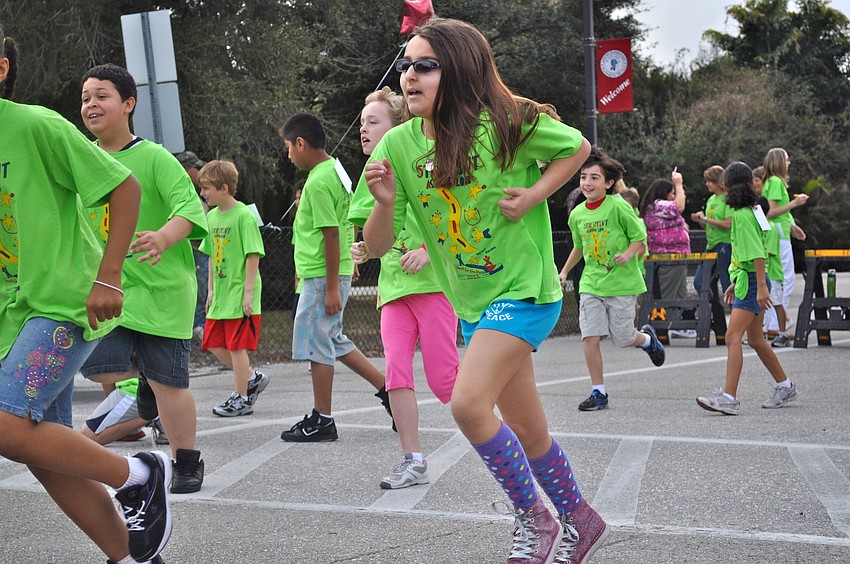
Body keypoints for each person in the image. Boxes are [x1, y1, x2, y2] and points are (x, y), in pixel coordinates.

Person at [356, 17, 608, 563]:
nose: (410, 76)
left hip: (525, 291)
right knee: (529, 430)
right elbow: (376, 246)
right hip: (473, 302)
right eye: (406, 66)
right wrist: (381, 202)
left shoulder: (503, 121)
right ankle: (581, 520)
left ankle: (534, 520)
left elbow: (578, 145)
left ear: (460, 70)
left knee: (469, 405)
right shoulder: (398, 146)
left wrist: (537, 191)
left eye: (426, 65)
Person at [0, 27, 171, 563]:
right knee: (46, 453)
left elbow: (125, 186)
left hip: (61, 303)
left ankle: (139, 473)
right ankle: (137, 558)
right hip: (12, 314)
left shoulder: (34, 125)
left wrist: (109, 277)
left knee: (5, 426)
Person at [78, 63, 209, 494]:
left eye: (102, 95)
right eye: (85, 98)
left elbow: (189, 211)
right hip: (108, 290)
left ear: (128, 104)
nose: (91, 104)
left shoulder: (153, 157)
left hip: (161, 289)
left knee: (170, 382)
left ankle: (186, 461)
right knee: (97, 367)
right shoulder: (82, 160)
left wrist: (162, 237)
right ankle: (145, 392)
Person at [349, 87, 459, 489]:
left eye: (373, 122)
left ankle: (498, 418)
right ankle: (413, 459)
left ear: (399, 127)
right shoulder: (371, 173)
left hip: (433, 286)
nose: (364, 129)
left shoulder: (426, 161)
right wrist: (364, 248)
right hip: (394, 289)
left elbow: (454, 218)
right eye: (362, 123)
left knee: (445, 381)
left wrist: (429, 252)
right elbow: (375, 230)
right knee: (396, 372)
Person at [279, 112, 393, 442]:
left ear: (300, 144)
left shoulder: (316, 181)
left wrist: (331, 287)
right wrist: (348, 260)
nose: (288, 155)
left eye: (288, 147)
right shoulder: (338, 169)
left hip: (321, 276)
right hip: (333, 269)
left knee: (318, 345)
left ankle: (322, 418)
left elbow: (331, 232)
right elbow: (350, 217)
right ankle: (387, 390)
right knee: (334, 338)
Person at [558, 149, 666, 412]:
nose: (587, 183)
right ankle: (599, 392)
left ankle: (647, 340)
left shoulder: (618, 206)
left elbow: (639, 237)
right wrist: (563, 271)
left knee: (622, 338)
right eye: (583, 177)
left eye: (594, 178)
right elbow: (579, 247)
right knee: (590, 336)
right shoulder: (578, 214)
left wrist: (628, 254)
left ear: (608, 183)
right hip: (591, 282)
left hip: (621, 282)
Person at [697, 162, 798, 415]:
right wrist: (736, 282)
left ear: (726, 186)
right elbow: (758, 247)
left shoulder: (742, 216)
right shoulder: (754, 210)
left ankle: (729, 397)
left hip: (754, 281)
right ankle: (785, 385)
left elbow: (756, 253)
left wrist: (761, 286)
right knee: (755, 339)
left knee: (733, 337)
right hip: (750, 279)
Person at [197, 159, 269, 417]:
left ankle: (241, 397)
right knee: (213, 342)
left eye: (206, 188)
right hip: (221, 295)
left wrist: (248, 293)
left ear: (224, 187)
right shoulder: (212, 217)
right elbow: (211, 256)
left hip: (240, 294)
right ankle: (251, 377)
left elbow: (253, 255)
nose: (203, 194)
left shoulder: (244, 217)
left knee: (237, 347)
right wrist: (211, 290)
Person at [761, 148, 808, 348]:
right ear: (780, 162)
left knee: (779, 278)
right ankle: (775, 324)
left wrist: (793, 226)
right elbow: (771, 212)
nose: (789, 163)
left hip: (780, 231)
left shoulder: (770, 182)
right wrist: (795, 203)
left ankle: (772, 324)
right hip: (777, 236)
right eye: (787, 160)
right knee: (784, 278)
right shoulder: (776, 182)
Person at [639, 171, 694, 338]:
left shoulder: (658, 208)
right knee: (667, 295)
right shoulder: (658, 205)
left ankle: (677, 324)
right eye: (671, 193)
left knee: (680, 294)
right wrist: (678, 183)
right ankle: (660, 327)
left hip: (677, 256)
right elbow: (680, 206)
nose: (673, 196)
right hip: (668, 256)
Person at [176, 151, 210, 345]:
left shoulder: (199, 194)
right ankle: (202, 340)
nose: (198, 171)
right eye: (194, 168)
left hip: (205, 252)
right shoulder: (186, 196)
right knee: (199, 297)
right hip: (195, 252)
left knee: (204, 296)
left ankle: (205, 339)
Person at [690, 165, 732, 296]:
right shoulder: (710, 200)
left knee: (727, 284)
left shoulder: (728, 199)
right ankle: (712, 310)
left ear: (718, 182)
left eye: (710, 181)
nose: (707, 184)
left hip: (725, 245)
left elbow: (728, 224)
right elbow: (710, 226)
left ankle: (734, 313)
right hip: (711, 245)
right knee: (699, 282)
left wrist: (706, 219)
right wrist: (700, 220)